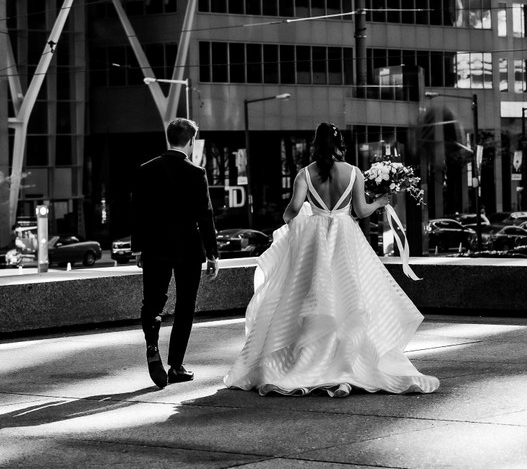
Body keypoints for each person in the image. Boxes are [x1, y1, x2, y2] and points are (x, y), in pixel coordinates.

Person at [224, 122, 439, 397]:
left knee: (311, 297)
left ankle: (308, 363)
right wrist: (381, 202)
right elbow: (361, 211)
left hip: (315, 244)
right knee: (349, 299)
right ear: (340, 144)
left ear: (316, 144)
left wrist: (300, 223)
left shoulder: (304, 174)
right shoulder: (354, 173)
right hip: (346, 241)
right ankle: (347, 368)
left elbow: (290, 212)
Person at [131, 117, 219, 389]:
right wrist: (213, 254)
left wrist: (137, 248)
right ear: (191, 141)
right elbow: (205, 216)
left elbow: (138, 212)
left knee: (153, 302)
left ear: (169, 138)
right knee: (185, 306)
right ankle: (176, 365)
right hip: (188, 249)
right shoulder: (196, 173)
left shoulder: (146, 170)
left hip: (155, 246)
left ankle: (151, 344)